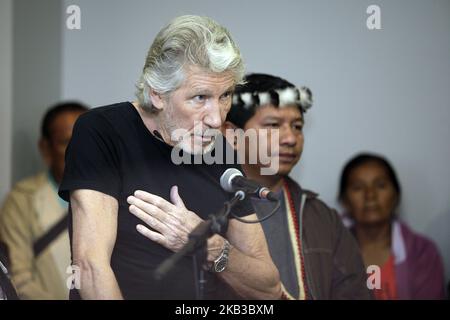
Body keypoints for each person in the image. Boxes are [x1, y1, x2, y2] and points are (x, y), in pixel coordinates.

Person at [58, 15, 281, 300]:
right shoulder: (102, 131)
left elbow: (269, 287)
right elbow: (90, 268)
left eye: (225, 95)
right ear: (157, 94)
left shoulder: (220, 150)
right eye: (200, 97)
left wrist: (208, 245)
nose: (216, 119)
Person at [224, 73, 371, 299]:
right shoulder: (207, 209)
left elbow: (355, 292)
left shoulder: (321, 217)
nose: (290, 138)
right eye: (273, 125)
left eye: (297, 126)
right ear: (233, 135)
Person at [0, 102, 88, 299]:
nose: (78, 152)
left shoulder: (116, 196)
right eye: (66, 142)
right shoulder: (22, 200)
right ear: (46, 149)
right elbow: (17, 279)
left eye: (86, 142)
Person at [338, 153, 446, 299]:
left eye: (381, 185)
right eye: (358, 187)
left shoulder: (422, 253)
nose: (370, 195)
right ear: (344, 200)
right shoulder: (330, 251)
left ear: (396, 195)